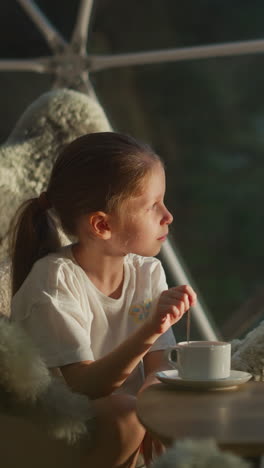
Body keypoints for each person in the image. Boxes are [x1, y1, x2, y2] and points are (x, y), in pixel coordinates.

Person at [10, 132, 197, 467]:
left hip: (121, 430)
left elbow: (161, 366)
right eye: (153, 205)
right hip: (55, 437)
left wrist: (153, 407)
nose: (167, 215)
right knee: (124, 415)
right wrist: (149, 329)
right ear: (101, 225)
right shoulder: (54, 281)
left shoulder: (148, 272)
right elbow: (84, 387)